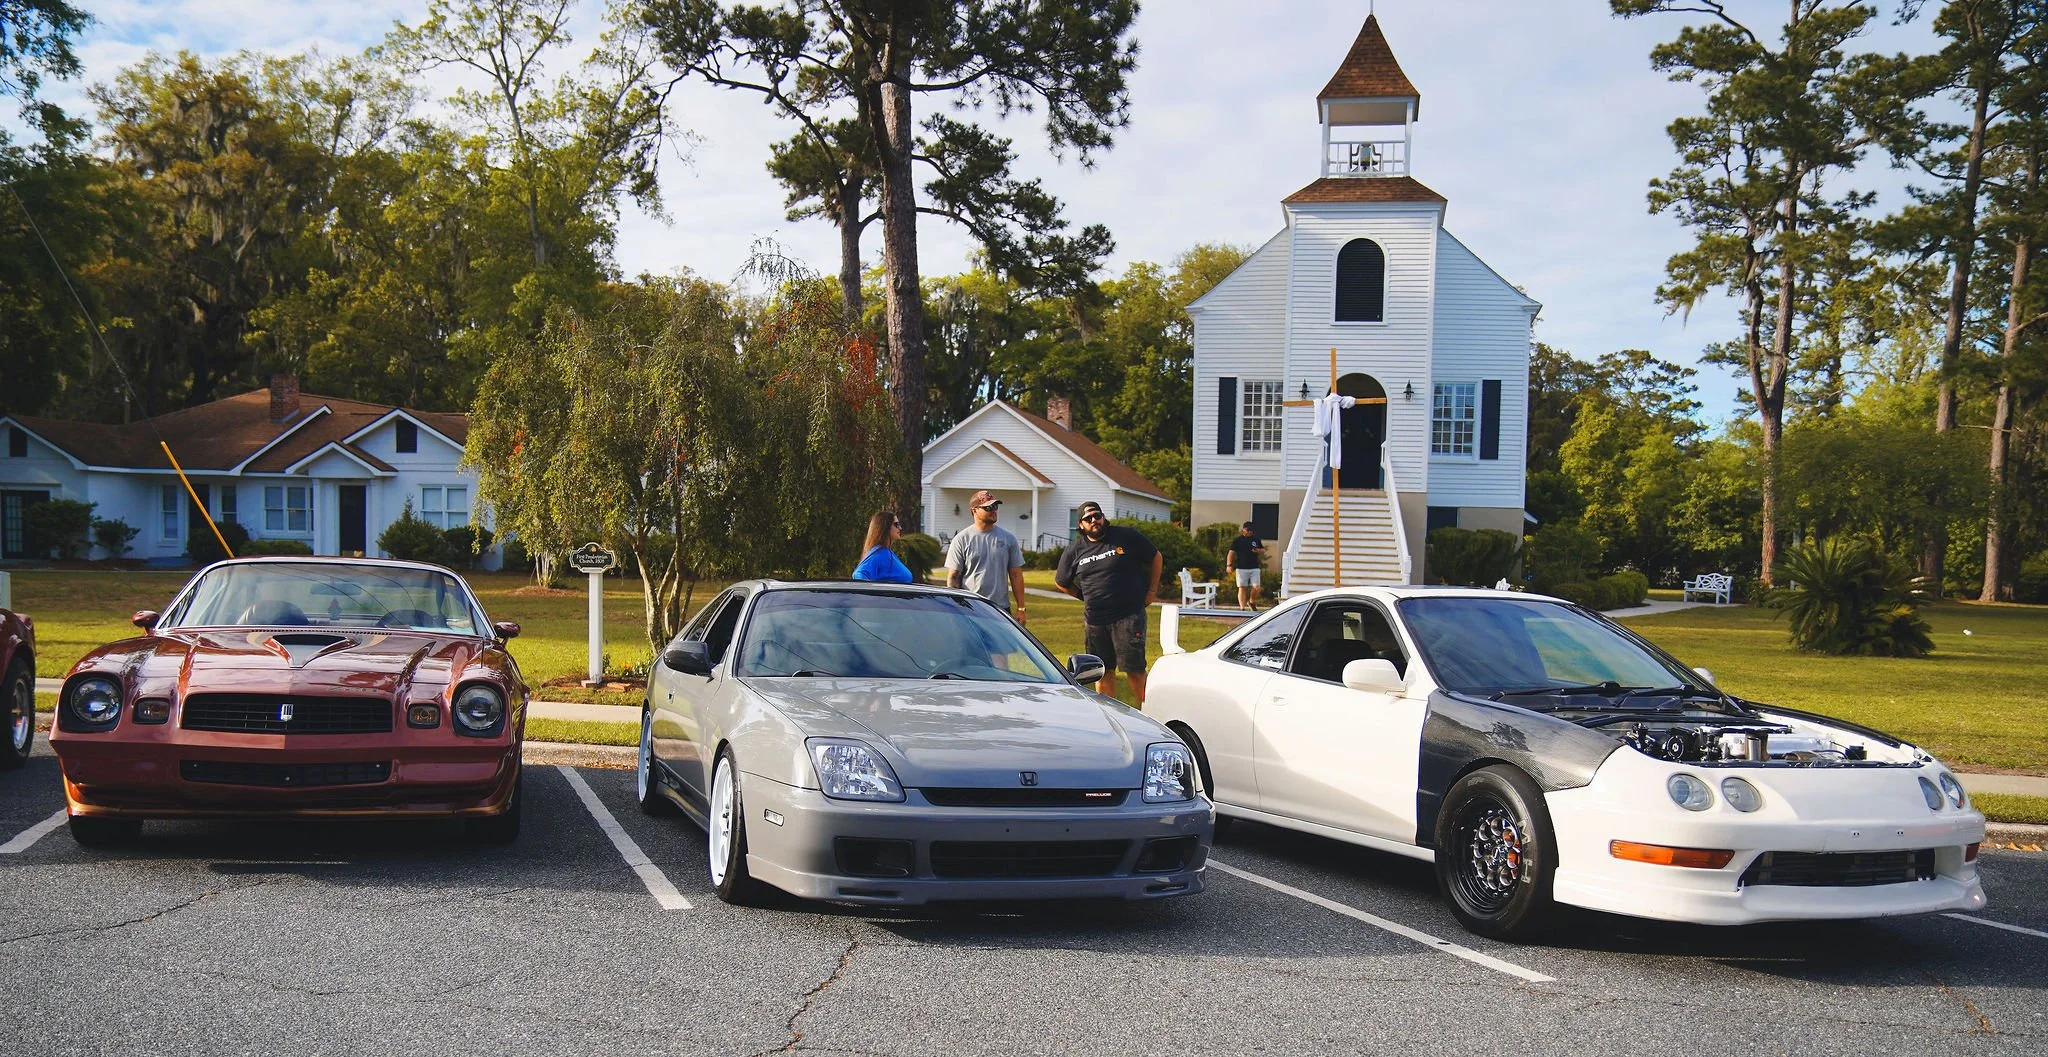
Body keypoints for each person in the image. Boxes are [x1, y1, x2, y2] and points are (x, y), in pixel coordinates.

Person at [1054, 501, 1162, 704]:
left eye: (1097, 516)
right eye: (1088, 519)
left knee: (1135, 669)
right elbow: (1061, 582)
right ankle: (1109, 717)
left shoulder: (1126, 536)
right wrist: (1082, 596)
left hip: (1128, 615)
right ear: (1081, 525)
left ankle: (1153, 712)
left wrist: (1152, 591)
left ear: (1103, 517)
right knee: (1102, 671)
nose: (1094, 520)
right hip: (1096, 620)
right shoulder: (1075, 550)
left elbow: (1155, 557)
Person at [944, 490, 1027, 623]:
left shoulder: (1008, 539)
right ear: (974, 511)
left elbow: (1016, 575)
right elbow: (953, 577)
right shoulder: (961, 539)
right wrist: (956, 607)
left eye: (995, 506)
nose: (994, 510)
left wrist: (1021, 609)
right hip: (971, 608)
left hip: (1000, 609)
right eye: (988, 507)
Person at [851, 511, 913, 583]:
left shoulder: (886, 553)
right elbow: (859, 574)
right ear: (885, 526)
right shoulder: (878, 554)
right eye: (896, 524)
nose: (900, 528)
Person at [1225, 521, 1267, 610]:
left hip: (1254, 567)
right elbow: (1231, 553)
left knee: (1256, 587)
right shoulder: (1238, 540)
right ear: (1243, 529)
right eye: (1248, 530)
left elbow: (1263, 550)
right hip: (1241, 567)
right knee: (1242, 587)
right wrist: (1229, 565)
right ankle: (1242, 608)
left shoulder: (1256, 539)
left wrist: (1258, 551)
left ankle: (1251, 601)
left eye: (1251, 530)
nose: (1250, 532)